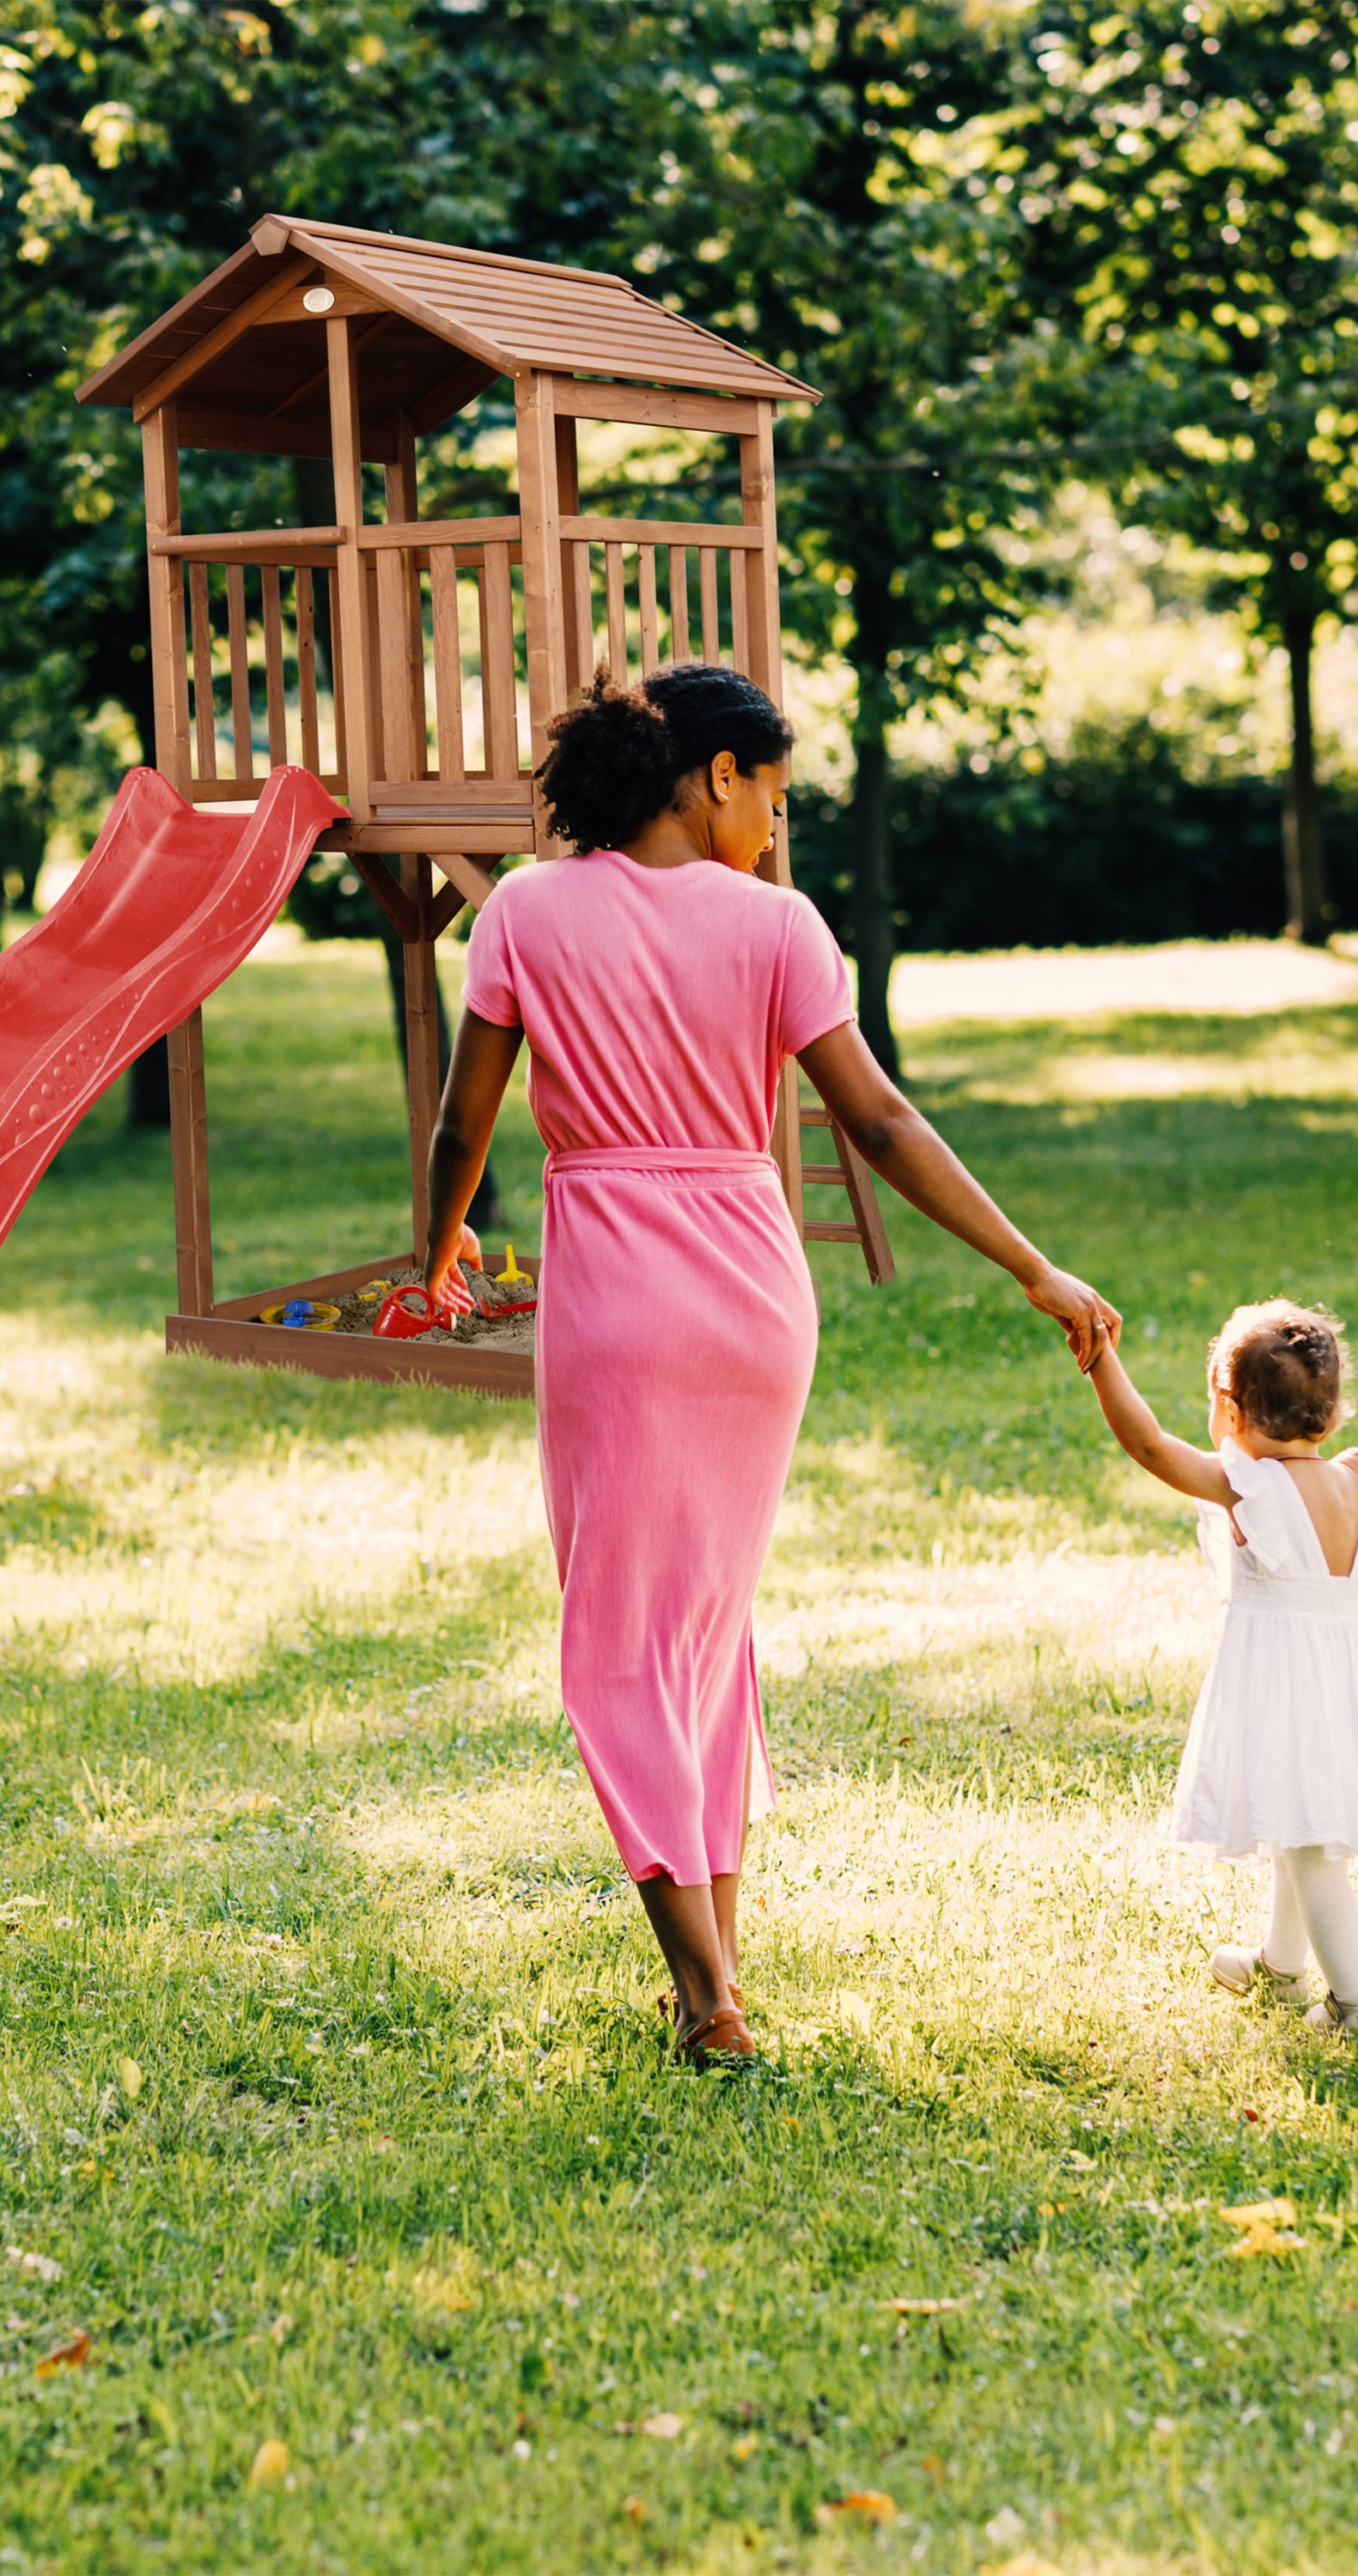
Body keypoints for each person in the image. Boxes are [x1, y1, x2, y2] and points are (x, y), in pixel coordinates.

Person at [419, 665, 1119, 2065]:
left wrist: (433, 1252)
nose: (778, 830)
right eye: (775, 797)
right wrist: (1031, 1263)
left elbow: (463, 1125)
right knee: (703, 1631)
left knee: (622, 1642)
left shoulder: (524, 911)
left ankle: (704, 1994)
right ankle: (717, 1970)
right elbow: (879, 1123)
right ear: (713, 775)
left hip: (616, 1298)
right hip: (753, 1299)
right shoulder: (780, 929)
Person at [1081, 1297, 1358, 2034]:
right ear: (1333, 1414)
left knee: (1310, 1846)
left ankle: (1357, 2008)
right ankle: (1280, 1967)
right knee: (1294, 1817)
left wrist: (1100, 1359)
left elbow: (1148, 1445)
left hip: (1286, 1684)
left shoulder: (1248, 1487)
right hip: (1353, 1682)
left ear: (1231, 1412)